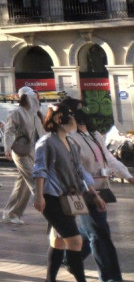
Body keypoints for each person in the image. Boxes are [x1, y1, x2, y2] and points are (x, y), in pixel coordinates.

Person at [33, 104, 107, 282]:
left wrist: (94, 194)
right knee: (75, 241)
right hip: (52, 198)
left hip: (69, 197)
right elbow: (39, 170)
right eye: (71, 119)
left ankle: (50, 279)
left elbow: (80, 171)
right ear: (60, 120)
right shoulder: (46, 142)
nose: (74, 122)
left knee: (58, 240)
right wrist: (39, 195)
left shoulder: (72, 143)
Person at [69, 108, 131, 282]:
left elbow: (108, 158)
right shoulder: (70, 138)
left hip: (101, 188)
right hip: (84, 191)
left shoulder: (95, 136)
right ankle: (110, 277)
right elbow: (76, 169)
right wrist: (91, 192)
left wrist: (127, 175)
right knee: (99, 234)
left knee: (94, 230)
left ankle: (70, 258)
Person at [3, 86, 46, 225]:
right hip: (20, 151)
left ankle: (11, 213)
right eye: (32, 96)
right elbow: (9, 131)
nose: (35, 99)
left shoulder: (37, 113)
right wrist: (7, 147)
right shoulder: (16, 112)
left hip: (34, 151)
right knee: (34, 180)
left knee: (23, 185)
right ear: (25, 98)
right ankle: (47, 206)